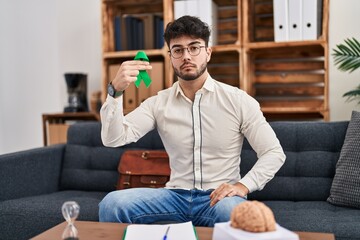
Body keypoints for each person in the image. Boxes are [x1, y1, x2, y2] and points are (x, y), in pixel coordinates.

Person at [99, 15, 285, 227]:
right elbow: (113, 139)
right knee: (112, 204)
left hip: (219, 198)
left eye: (194, 47)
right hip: (174, 196)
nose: (186, 56)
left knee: (233, 211)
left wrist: (243, 186)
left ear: (208, 53)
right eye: (178, 50)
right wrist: (115, 92)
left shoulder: (238, 101)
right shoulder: (158, 103)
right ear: (171, 57)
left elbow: (273, 152)